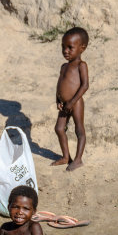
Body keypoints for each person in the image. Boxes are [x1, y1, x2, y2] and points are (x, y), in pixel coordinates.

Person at [52, 26, 89, 171]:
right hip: (64, 104)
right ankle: (66, 157)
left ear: (82, 48)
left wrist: (72, 102)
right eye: (63, 47)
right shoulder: (63, 66)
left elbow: (85, 85)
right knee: (59, 128)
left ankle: (78, 159)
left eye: (70, 47)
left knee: (79, 130)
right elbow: (59, 84)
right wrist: (58, 100)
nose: (65, 51)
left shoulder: (81, 65)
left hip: (76, 102)